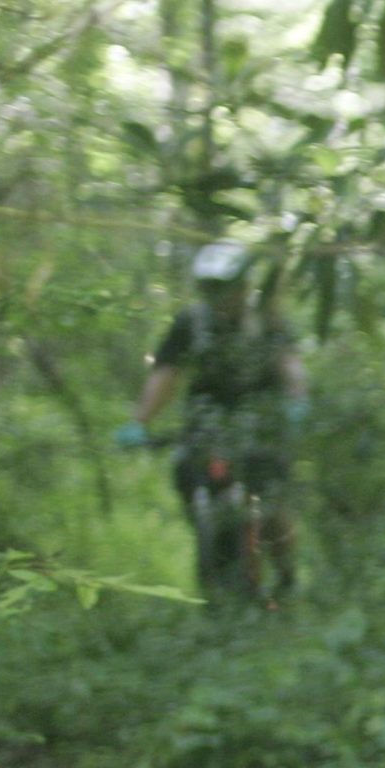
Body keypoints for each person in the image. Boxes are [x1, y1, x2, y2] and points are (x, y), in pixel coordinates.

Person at [119, 241, 309, 602]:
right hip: (208, 419)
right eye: (209, 288)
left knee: (272, 502)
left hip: (262, 416)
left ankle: (286, 578)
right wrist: (140, 422)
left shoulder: (267, 319)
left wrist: (297, 402)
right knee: (188, 471)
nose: (218, 296)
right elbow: (167, 374)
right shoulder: (191, 323)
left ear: (242, 285)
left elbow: (290, 362)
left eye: (224, 286)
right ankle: (214, 556)